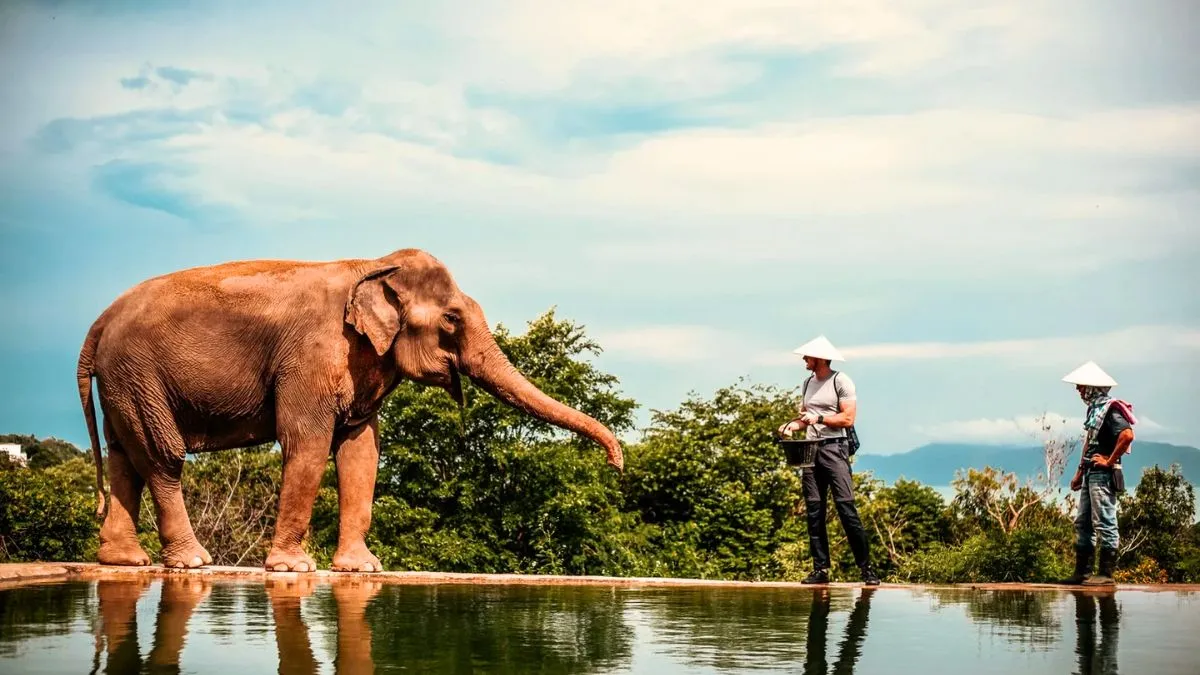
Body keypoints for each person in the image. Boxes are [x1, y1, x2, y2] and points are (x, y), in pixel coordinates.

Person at [777, 335, 880, 586]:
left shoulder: (840, 380)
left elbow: (847, 419)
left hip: (835, 448)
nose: (804, 359)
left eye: (807, 356)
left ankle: (866, 569)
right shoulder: (807, 383)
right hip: (810, 451)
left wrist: (820, 420)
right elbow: (806, 418)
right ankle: (820, 569)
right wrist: (793, 425)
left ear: (820, 358)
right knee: (814, 511)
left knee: (846, 508)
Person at [1060, 360, 1137, 586]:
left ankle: (1105, 574)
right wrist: (1080, 471)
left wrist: (1109, 460)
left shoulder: (1111, 409)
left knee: (1104, 520)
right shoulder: (1095, 411)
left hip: (1103, 474)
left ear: (1093, 388)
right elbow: (1090, 442)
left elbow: (1127, 435)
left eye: (1081, 386)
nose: (1078, 390)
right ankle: (1082, 573)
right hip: (1091, 473)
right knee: (1083, 522)